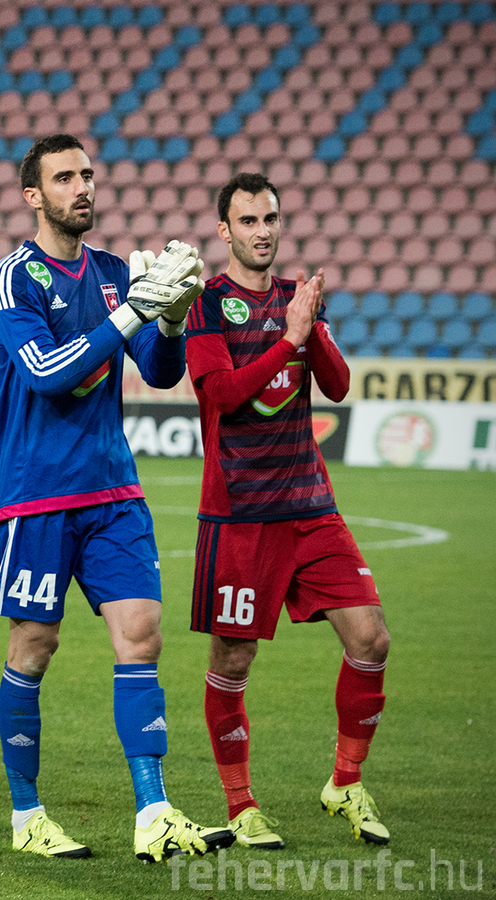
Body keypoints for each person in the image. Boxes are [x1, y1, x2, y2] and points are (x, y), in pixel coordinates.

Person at [0, 133, 232, 862]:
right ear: (34, 196)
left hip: (114, 490)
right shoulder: (13, 279)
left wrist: (171, 318)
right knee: (34, 646)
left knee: (142, 635)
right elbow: (48, 372)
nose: (82, 187)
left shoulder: (116, 272)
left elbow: (159, 371)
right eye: (64, 177)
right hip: (37, 496)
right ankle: (27, 815)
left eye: (87, 174)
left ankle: (153, 810)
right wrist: (131, 314)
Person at [188, 173, 390, 848]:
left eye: (270, 218)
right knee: (233, 660)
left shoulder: (296, 298)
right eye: (248, 221)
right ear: (225, 231)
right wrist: (286, 340)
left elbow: (338, 384)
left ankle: (346, 782)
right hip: (240, 514)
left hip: (310, 507)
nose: (263, 231)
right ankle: (241, 804)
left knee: (371, 639)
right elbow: (221, 394)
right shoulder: (206, 306)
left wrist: (310, 328)